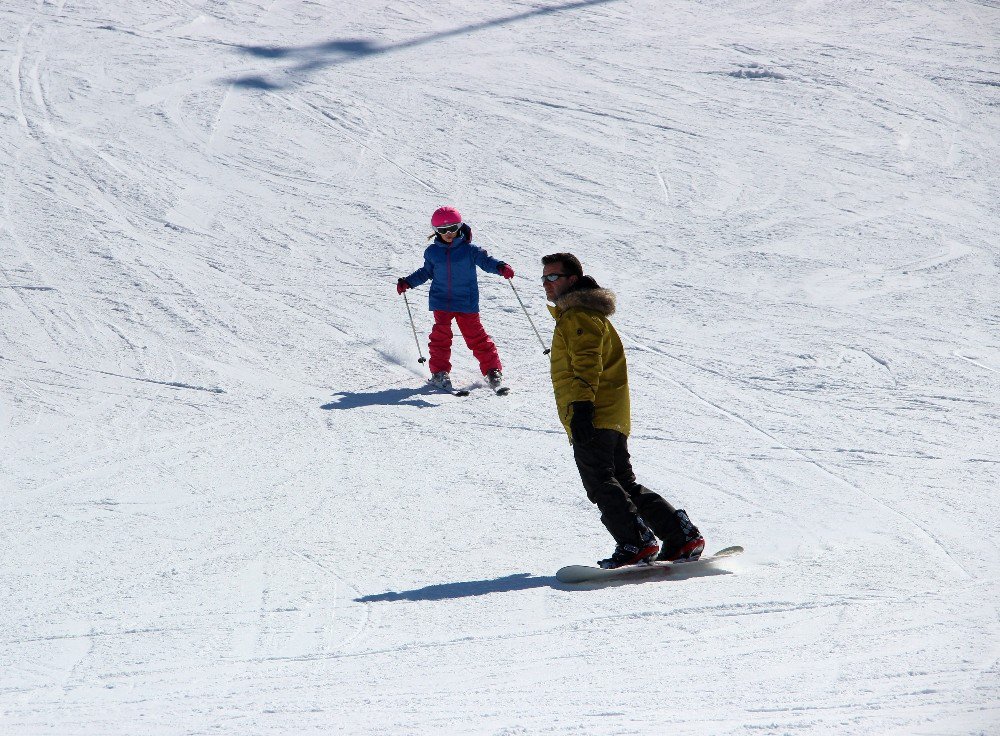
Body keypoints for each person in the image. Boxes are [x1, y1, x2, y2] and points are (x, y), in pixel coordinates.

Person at [542, 252, 706, 568]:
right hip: (611, 416)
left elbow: (586, 364)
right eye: (544, 278)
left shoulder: (577, 316)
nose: (547, 285)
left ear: (571, 280)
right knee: (623, 482)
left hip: (594, 413)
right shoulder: (589, 315)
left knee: (600, 481)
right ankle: (680, 536)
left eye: (553, 277)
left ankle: (635, 541)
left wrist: (580, 408)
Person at [397, 206, 515, 391]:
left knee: (476, 337)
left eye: (453, 228)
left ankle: (492, 369)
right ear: (436, 231)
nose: (449, 233)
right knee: (440, 338)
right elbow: (426, 272)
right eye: (443, 230)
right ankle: (440, 372)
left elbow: (486, 262)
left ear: (460, 226)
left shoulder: (470, 250)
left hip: (466, 301)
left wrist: (500, 266)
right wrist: (408, 282)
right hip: (441, 301)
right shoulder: (432, 252)